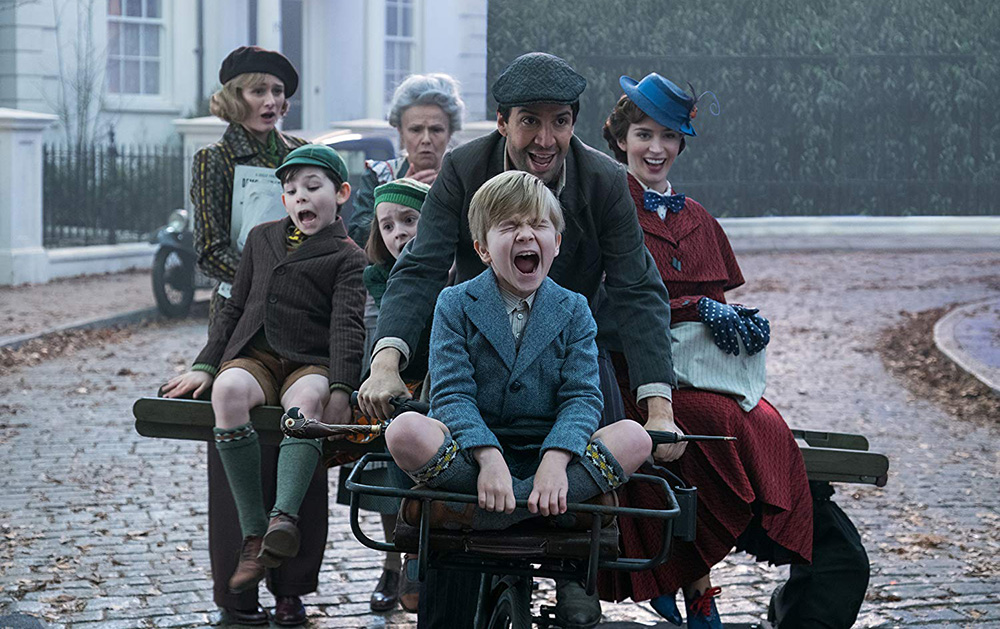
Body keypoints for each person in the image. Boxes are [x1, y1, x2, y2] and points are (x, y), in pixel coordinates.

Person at [359, 52, 680, 629]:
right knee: (437, 499)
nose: (545, 138)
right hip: (475, 348)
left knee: (606, 434)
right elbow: (421, 267)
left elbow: (637, 289)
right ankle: (440, 552)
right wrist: (387, 363)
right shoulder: (463, 168)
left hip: (568, 352)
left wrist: (659, 407)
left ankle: (577, 569)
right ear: (502, 122)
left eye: (560, 121)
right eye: (530, 121)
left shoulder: (604, 180)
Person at [597, 72, 816, 628]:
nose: (657, 148)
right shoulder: (605, 205)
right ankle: (692, 586)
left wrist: (731, 320)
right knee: (708, 423)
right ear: (621, 138)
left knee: (763, 422)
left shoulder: (698, 219)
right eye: (644, 134)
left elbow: (715, 302)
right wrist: (687, 308)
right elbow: (598, 303)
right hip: (625, 372)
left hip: (698, 370)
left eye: (669, 136)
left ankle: (693, 567)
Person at [384, 167, 651, 562]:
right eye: (509, 226)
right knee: (404, 431)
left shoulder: (574, 308)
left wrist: (556, 459)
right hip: (471, 456)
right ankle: (554, 509)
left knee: (635, 438)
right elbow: (452, 394)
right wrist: (488, 456)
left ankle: (479, 512)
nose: (526, 235)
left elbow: (582, 398)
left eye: (538, 225)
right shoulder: (455, 304)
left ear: (555, 243)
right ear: (483, 250)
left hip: (551, 453)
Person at [165, 145, 367, 623]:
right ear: (282, 200)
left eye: (313, 187)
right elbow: (233, 307)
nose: (301, 197)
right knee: (228, 393)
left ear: (341, 193)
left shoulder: (347, 255)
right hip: (254, 354)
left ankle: (284, 523)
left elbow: (347, 326)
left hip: (308, 362)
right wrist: (206, 364)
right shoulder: (260, 238)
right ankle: (255, 533)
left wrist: (341, 388)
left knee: (307, 406)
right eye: (291, 191)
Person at [188, 45, 322, 627]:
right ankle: (237, 594)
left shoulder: (302, 155)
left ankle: (292, 588)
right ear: (234, 96)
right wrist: (269, 275)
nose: (270, 101)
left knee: (301, 437)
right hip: (239, 320)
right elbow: (209, 248)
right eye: (257, 90)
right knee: (235, 449)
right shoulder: (214, 160)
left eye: (277, 92)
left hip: (304, 320)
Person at [343, 178, 432, 614]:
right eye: (388, 226)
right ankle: (396, 558)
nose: (399, 233)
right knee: (385, 437)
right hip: (391, 382)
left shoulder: (452, 271)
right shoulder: (377, 277)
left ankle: (422, 547)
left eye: (410, 221)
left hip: (435, 381)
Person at [347, 73, 465, 247]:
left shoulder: (464, 179)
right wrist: (397, 200)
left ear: (450, 133)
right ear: (401, 132)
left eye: (436, 130)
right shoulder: (379, 176)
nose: (426, 139)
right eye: (416, 130)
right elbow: (357, 238)